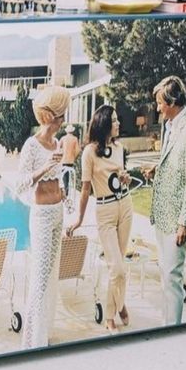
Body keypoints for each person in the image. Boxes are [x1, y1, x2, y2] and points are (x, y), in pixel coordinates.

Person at [143, 75, 186, 326]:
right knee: (165, 276)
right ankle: (167, 325)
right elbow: (175, 164)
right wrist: (156, 169)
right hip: (162, 215)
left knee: (172, 277)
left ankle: (173, 333)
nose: (157, 108)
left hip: (176, 220)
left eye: (160, 103)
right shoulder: (170, 126)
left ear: (172, 101)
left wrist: (185, 222)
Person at [67, 105, 132, 333]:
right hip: (104, 211)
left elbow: (121, 178)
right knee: (118, 269)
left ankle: (111, 314)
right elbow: (85, 190)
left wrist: (125, 178)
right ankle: (117, 308)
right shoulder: (88, 153)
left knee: (119, 266)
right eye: (114, 121)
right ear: (104, 124)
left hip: (125, 206)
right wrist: (79, 219)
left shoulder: (119, 147)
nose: (118, 124)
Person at [17, 84, 70, 350]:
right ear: (51, 116)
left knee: (52, 273)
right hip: (42, 216)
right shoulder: (32, 145)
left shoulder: (58, 143)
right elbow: (20, 183)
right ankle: (32, 341)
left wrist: (64, 193)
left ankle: (45, 332)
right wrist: (44, 168)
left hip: (58, 211)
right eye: (61, 116)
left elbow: (59, 177)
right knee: (39, 277)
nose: (63, 121)